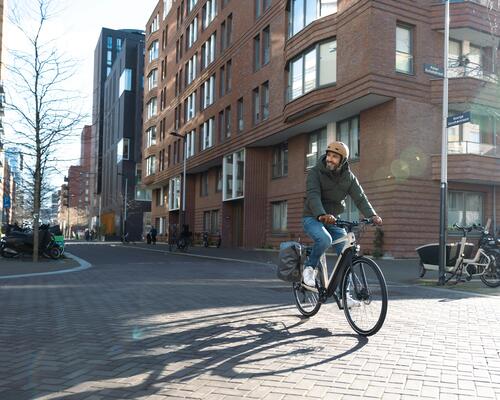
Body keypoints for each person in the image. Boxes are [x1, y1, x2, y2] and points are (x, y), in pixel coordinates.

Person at [302, 141, 382, 289]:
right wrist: (321, 214)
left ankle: (345, 294)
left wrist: (372, 215)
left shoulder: (349, 178)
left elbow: (360, 197)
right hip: (313, 217)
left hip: (333, 220)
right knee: (324, 239)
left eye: (334, 157)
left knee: (347, 253)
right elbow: (313, 195)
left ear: (342, 160)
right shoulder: (315, 172)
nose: (330, 159)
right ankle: (309, 269)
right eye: (329, 155)